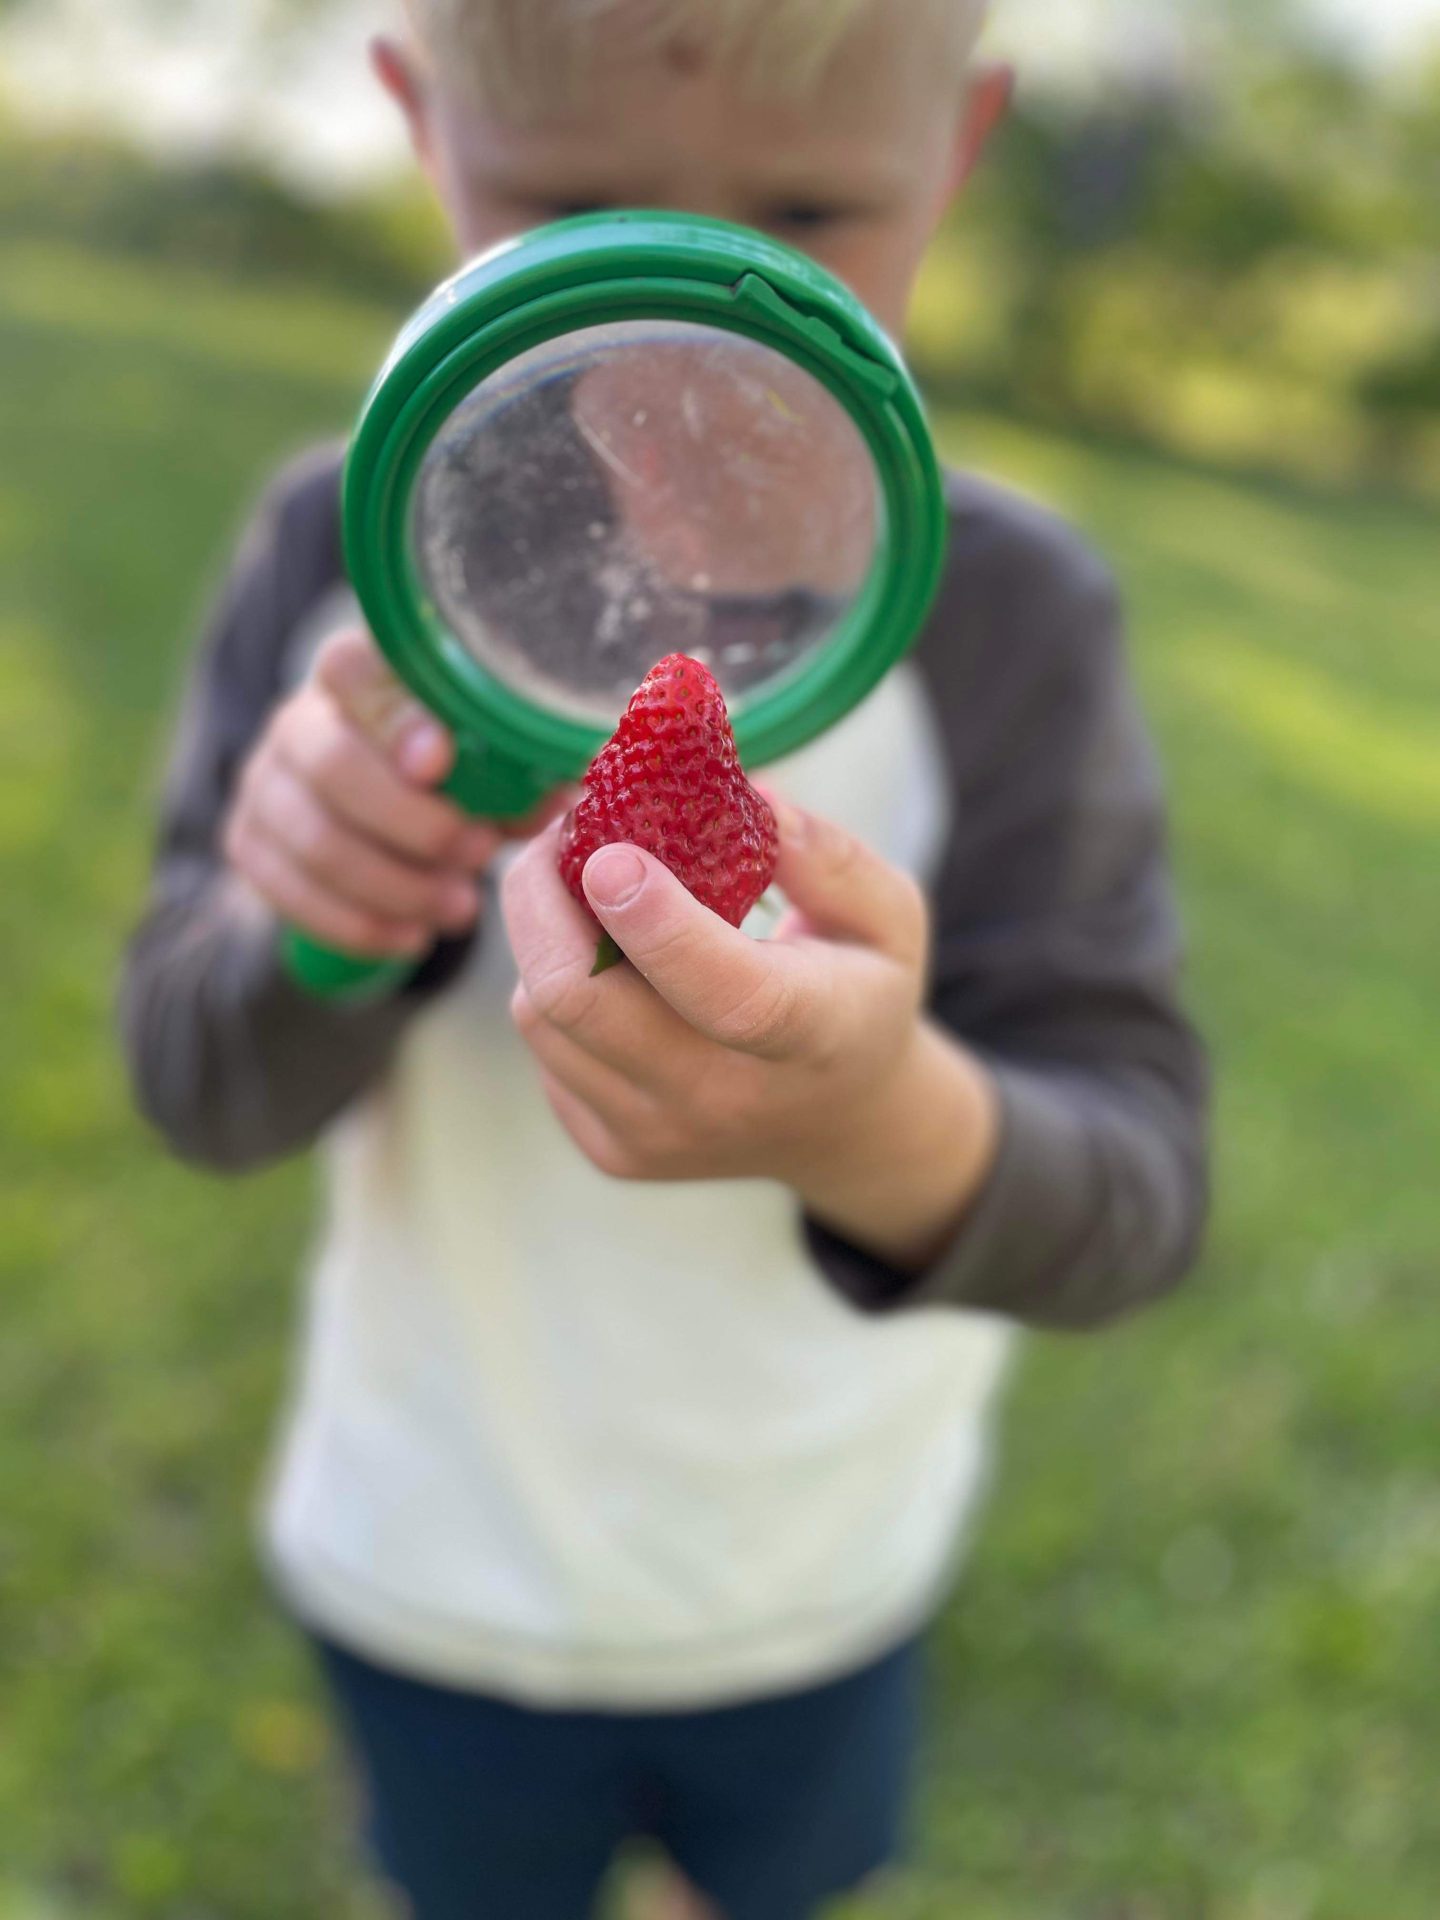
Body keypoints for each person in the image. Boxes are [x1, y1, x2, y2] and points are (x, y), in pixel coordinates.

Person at [120, 3, 1211, 1916]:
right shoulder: (340, 556)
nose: (682, 337)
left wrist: (876, 1118)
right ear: (421, 125)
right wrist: (312, 915)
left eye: (805, 208)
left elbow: (1134, 1192)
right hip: (432, 1559)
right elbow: (196, 1090)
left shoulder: (1015, 619)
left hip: (812, 1585)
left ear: (952, 155)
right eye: (568, 202)